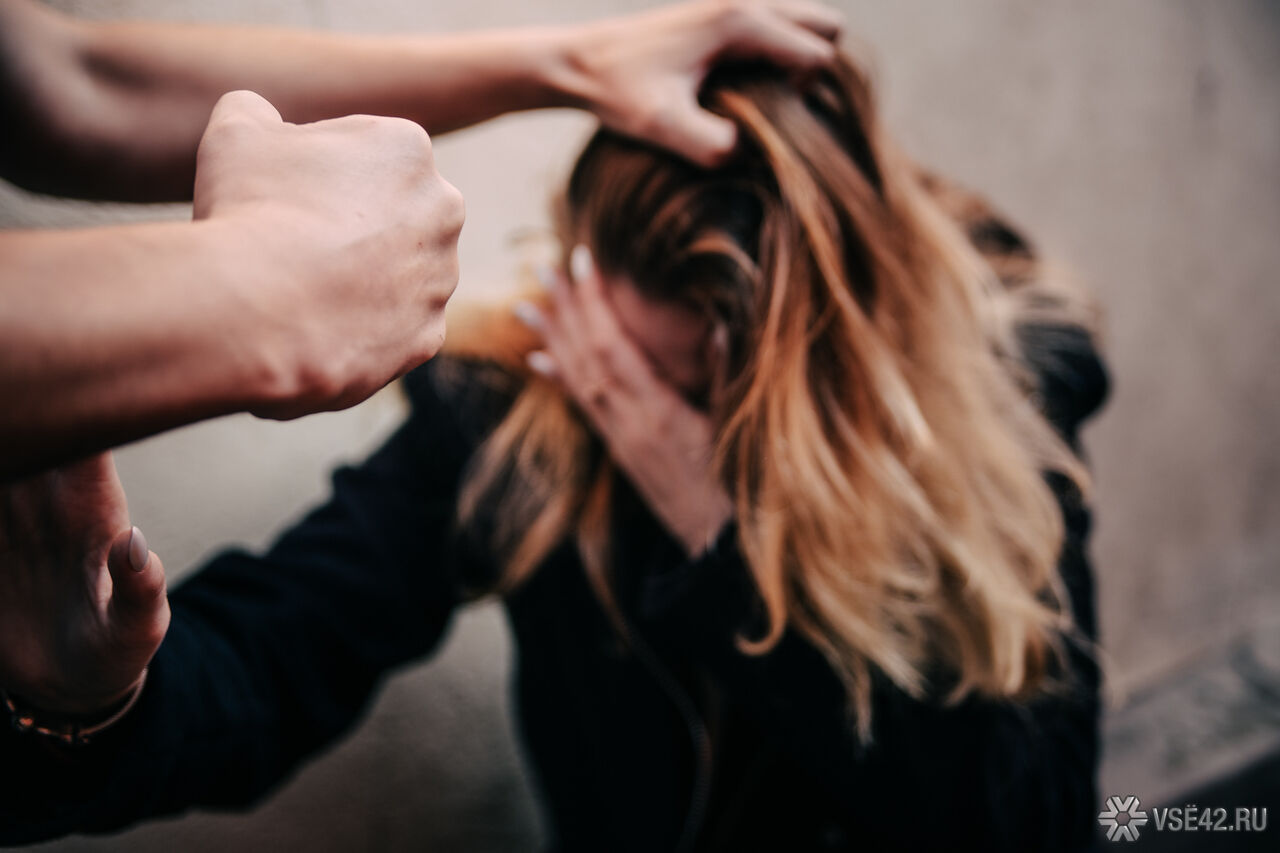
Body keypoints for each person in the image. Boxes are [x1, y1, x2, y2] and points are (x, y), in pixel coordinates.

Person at [0, 52, 1110, 851]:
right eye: (619, 359)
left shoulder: (1000, 393)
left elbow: (1033, 816)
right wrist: (90, 703)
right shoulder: (537, 406)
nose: (630, 402)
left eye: (702, 392)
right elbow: (277, 654)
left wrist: (714, 534)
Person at [0, 0, 843, 478]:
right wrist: (97, 703)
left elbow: (71, 84)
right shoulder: (502, 415)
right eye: (639, 369)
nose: (622, 383)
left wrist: (572, 64)